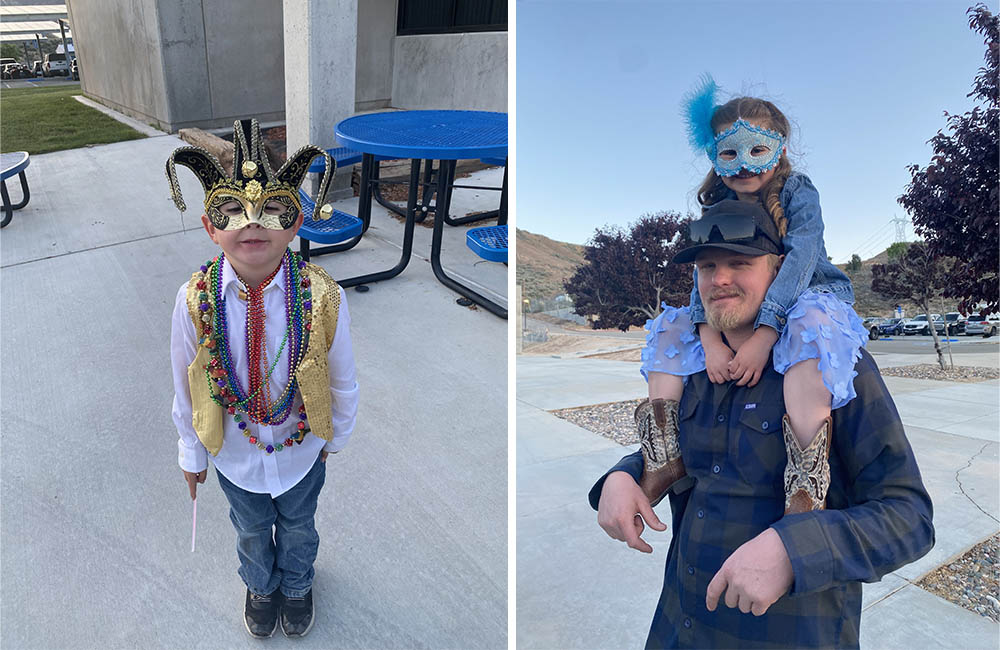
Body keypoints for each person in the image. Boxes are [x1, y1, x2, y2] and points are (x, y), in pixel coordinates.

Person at [590, 202, 934, 648]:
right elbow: (689, 452)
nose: (720, 279)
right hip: (680, 627)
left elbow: (910, 517)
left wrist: (795, 552)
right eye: (707, 265)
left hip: (788, 635)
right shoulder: (690, 369)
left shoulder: (832, 366)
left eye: (740, 263)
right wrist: (622, 475)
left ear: (778, 271)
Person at [636, 77, 869, 512]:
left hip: (809, 292)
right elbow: (704, 274)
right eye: (729, 152)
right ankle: (663, 456)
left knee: (811, 325)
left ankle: (804, 482)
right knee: (670, 326)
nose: (744, 164)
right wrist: (708, 339)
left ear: (778, 147)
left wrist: (765, 334)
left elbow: (801, 256)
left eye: (756, 150)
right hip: (748, 310)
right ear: (714, 156)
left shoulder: (799, 191)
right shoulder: (718, 203)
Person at [167, 119, 359, 639]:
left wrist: (333, 437)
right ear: (211, 227)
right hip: (234, 452)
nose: (253, 223)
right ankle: (260, 584)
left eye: (273, 210)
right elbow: (185, 385)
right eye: (232, 212)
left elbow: (342, 377)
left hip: (301, 450)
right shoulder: (194, 300)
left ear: (296, 224)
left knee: (299, 525)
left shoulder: (322, 297)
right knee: (250, 529)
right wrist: (192, 451)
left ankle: (297, 585)